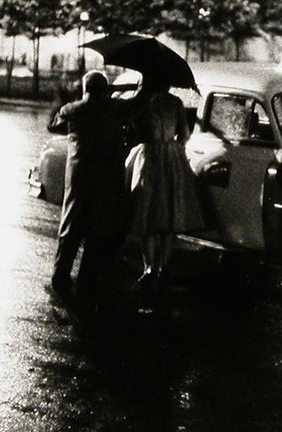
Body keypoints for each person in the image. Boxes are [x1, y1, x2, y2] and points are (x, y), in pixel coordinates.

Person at [47, 70, 129, 302]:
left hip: (79, 177)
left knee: (71, 225)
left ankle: (60, 275)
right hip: (107, 177)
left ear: (85, 88)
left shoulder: (72, 110)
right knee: (98, 228)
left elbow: (53, 126)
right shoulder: (116, 109)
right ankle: (86, 279)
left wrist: (61, 99)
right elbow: (133, 106)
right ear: (104, 90)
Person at [125, 75, 204, 296]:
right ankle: (164, 265)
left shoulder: (142, 103)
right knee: (169, 211)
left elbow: (131, 129)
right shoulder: (175, 103)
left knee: (146, 212)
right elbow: (185, 134)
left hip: (148, 156)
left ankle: (149, 267)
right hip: (171, 157)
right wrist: (173, 147)